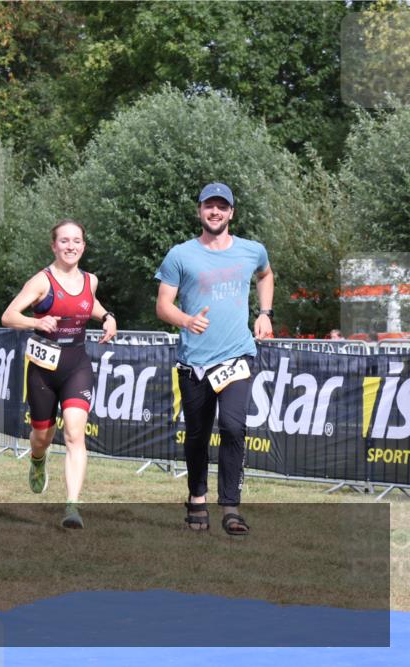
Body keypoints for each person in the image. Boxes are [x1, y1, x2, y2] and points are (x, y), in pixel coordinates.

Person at [155, 182, 273, 536]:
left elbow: (266, 275)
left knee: (235, 427)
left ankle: (231, 507)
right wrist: (186, 320)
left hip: (237, 357)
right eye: (210, 206)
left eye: (222, 206)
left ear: (232, 212)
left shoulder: (252, 251)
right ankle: (196, 497)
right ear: (200, 211)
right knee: (197, 436)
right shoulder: (180, 255)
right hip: (195, 364)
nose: (215, 212)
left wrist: (265, 312)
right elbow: (162, 306)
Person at [2, 220, 117, 529]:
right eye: (64, 241)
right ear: (54, 246)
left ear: (83, 246)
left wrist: (107, 317)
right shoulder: (42, 281)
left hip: (77, 366)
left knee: (74, 434)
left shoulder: (90, 280)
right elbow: (9, 315)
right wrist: (36, 323)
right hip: (43, 370)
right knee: (42, 437)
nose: (70, 246)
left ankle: (72, 506)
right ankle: (38, 459)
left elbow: (89, 304)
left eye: (76, 241)